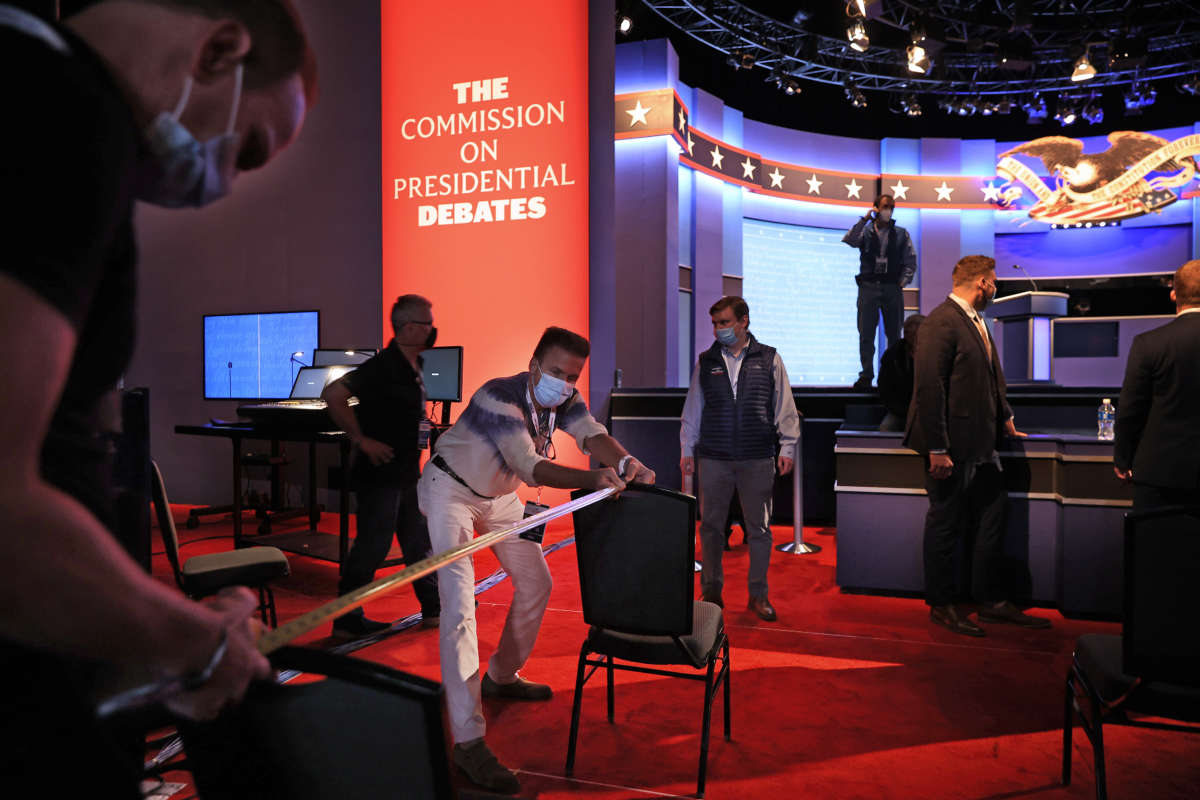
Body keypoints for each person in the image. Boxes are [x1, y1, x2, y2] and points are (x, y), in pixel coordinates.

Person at [0, 1, 314, 794]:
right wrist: (193, 644)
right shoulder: (62, 110)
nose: (225, 184)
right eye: (245, 150)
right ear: (221, 50)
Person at [417, 326, 655, 794]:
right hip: (451, 493)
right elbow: (533, 467)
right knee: (460, 608)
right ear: (533, 367)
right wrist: (592, 481)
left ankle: (501, 675)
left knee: (537, 583)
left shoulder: (563, 398)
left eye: (572, 376)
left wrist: (627, 463)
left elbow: (592, 435)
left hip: (500, 496)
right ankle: (467, 741)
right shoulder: (498, 398)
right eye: (556, 373)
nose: (564, 384)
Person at [904, 255, 1051, 637]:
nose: (996, 288)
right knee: (945, 524)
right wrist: (938, 447)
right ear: (983, 283)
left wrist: (1007, 420)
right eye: (995, 282)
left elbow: (990, 380)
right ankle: (941, 604)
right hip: (951, 448)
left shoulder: (975, 321)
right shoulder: (941, 322)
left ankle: (990, 601)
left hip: (982, 447)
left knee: (991, 518)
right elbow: (929, 388)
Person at [322, 294, 441, 638]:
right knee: (373, 545)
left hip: (404, 473)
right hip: (381, 474)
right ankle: (346, 620)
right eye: (427, 324)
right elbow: (333, 394)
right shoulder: (384, 366)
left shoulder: (410, 367)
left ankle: (433, 606)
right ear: (407, 327)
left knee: (417, 541)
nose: (432, 330)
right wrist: (361, 439)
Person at [680, 296, 801, 622]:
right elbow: (694, 408)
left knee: (759, 530)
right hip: (715, 458)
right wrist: (687, 448)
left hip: (757, 457)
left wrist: (787, 447)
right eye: (716, 324)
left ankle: (758, 596)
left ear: (743, 321)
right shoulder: (706, 361)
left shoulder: (769, 358)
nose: (719, 330)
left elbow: (784, 407)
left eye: (725, 323)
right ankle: (711, 592)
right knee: (711, 528)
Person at [1114, 260, 1200, 510]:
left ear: (1174, 294)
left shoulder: (1148, 344)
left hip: (1159, 476)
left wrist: (1122, 459)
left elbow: (1131, 410)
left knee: (1158, 548)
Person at [842, 194, 917, 391]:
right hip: (868, 286)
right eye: (885, 206)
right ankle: (866, 375)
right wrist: (866, 218)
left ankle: (892, 375)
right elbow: (849, 239)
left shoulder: (901, 233)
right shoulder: (866, 231)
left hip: (891, 287)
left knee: (894, 334)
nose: (888, 211)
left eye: (891, 207)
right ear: (876, 207)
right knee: (866, 333)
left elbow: (910, 261)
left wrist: (901, 283)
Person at [877, 313, 925, 432]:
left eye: (915, 333)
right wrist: (900, 410)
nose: (912, 336)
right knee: (885, 429)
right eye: (908, 332)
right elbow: (884, 387)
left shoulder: (935, 353)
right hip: (899, 412)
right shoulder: (892, 355)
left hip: (927, 411)